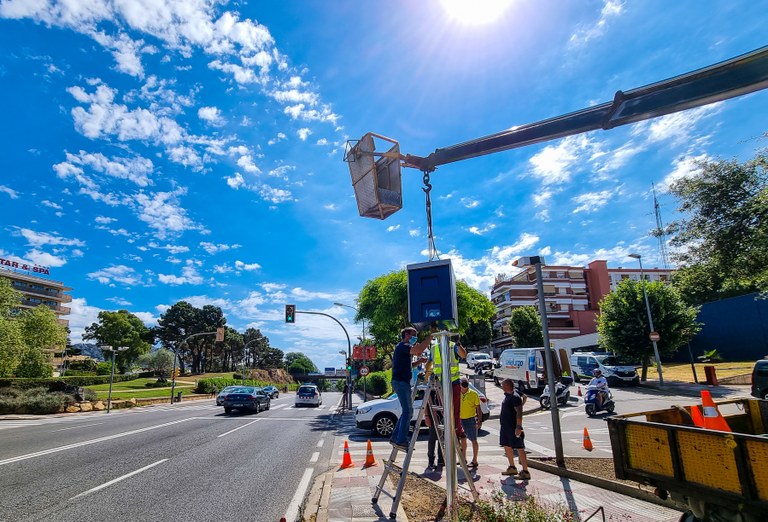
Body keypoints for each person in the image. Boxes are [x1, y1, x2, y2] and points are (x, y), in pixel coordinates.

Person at [390, 326, 431, 450]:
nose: (415, 338)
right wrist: (431, 337)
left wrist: (419, 362)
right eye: (413, 335)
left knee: (406, 411)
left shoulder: (402, 348)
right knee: (408, 411)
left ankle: (396, 437)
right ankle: (401, 439)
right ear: (406, 335)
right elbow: (418, 349)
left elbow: (409, 365)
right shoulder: (403, 346)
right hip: (401, 382)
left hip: (401, 382)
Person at [430, 323, 467, 439]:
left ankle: (456, 430)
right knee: (447, 410)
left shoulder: (452, 346)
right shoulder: (434, 348)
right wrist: (427, 373)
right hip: (441, 384)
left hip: (453, 382)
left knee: (454, 409)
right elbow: (430, 363)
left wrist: (458, 344)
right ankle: (450, 429)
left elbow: (464, 355)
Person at [499, 378, 530, 480]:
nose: (501, 386)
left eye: (503, 384)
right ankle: (512, 467)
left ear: (507, 386)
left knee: (520, 448)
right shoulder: (513, 393)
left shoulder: (515, 397)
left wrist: (518, 427)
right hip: (505, 427)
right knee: (507, 445)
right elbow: (524, 396)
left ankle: (525, 471)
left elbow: (519, 412)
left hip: (513, 427)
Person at [459, 377, 482, 467]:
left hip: (470, 419)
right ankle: (463, 459)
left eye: (465, 384)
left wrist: (479, 420)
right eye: (462, 384)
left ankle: (475, 460)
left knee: (473, 440)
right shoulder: (457, 393)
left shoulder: (473, 394)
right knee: (462, 439)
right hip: (460, 419)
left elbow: (478, 408)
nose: (464, 386)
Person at [425, 390, 444, 469]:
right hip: (432, 417)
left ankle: (441, 459)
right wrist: (426, 416)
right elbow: (425, 402)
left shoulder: (443, 388)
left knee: (442, 439)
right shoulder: (430, 390)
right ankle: (431, 461)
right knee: (432, 439)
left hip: (442, 417)